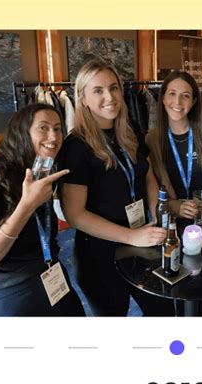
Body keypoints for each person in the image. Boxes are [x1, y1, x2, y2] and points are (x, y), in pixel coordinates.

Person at [59, 60, 175, 316]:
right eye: (98, 91)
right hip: (101, 252)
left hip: (141, 238)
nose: (109, 97)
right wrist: (131, 237)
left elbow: (147, 175)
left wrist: (156, 211)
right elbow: (74, 215)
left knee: (164, 312)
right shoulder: (76, 146)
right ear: (83, 98)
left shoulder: (130, 129)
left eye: (114, 88)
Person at [0, 103, 85, 316]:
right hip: (10, 292)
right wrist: (27, 205)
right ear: (22, 133)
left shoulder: (42, 173)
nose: (53, 136)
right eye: (43, 128)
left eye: (58, 128)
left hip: (52, 276)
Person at [145, 70, 202, 223]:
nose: (178, 102)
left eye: (185, 96)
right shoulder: (152, 140)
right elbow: (150, 187)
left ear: (194, 101)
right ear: (162, 98)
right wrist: (176, 207)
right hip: (172, 223)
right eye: (172, 94)